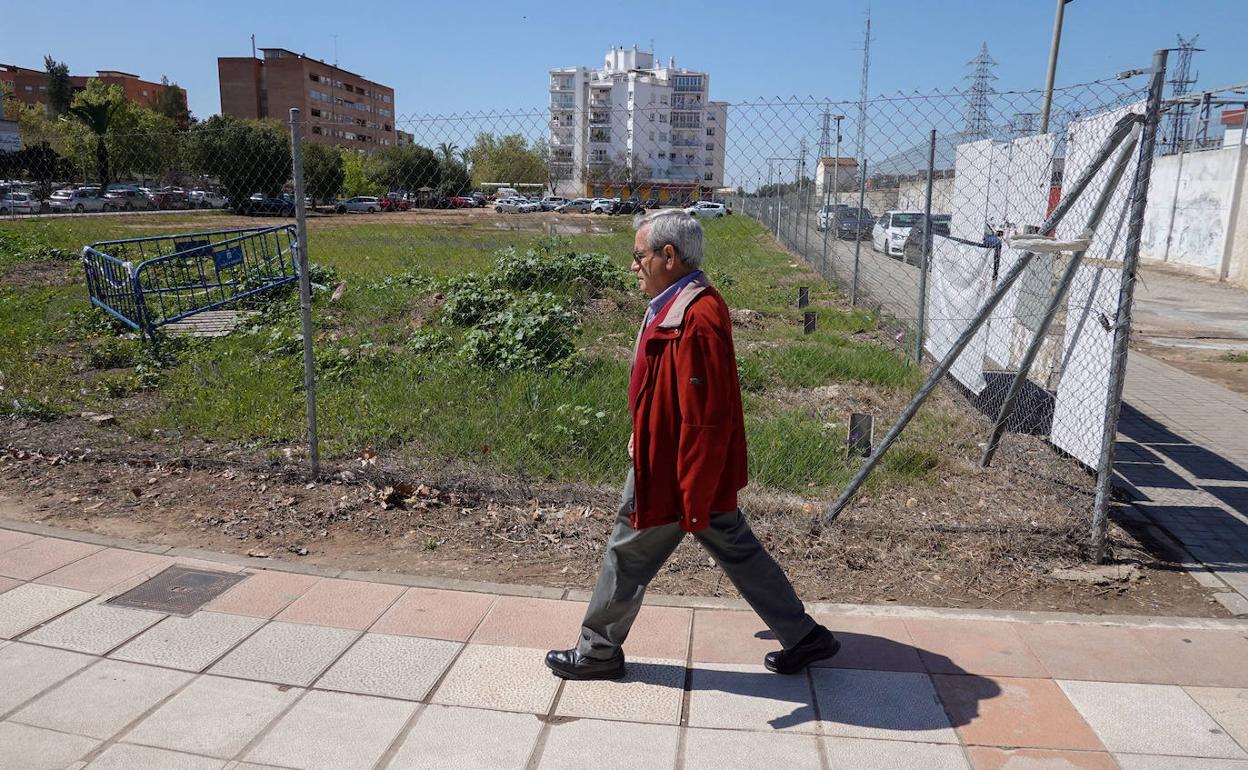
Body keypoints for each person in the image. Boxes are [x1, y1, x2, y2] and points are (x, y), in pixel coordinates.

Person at [545, 209, 840, 681]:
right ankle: (805, 637)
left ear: (669, 255)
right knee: (736, 549)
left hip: (674, 470)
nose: (633, 265)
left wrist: (693, 489)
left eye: (639, 256)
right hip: (673, 460)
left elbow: (705, 417)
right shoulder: (674, 302)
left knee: (628, 550)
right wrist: (641, 430)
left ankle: (598, 651)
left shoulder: (696, 315)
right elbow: (667, 391)